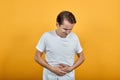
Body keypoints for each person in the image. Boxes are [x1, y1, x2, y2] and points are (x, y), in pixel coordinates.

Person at [34, 11, 85, 80]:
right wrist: (52, 69)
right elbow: (37, 57)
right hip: (49, 77)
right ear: (57, 24)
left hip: (68, 77)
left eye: (70, 29)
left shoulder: (74, 37)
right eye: (65, 29)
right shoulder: (46, 36)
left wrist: (70, 68)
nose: (68, 32)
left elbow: (82, 57)